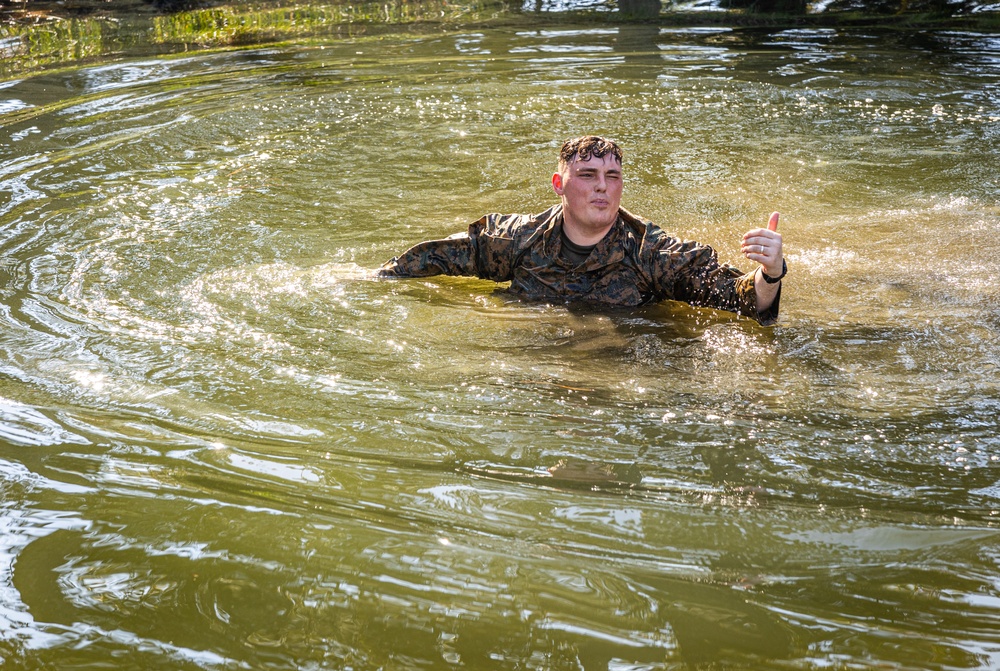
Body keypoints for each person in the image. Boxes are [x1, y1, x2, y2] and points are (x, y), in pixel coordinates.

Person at [377, 135, 785, 325]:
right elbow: (436, 257)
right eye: (588, 175)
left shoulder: (652, 253)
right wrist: (369, 280)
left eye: (612, 176)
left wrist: (770, 273)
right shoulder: (518, 239)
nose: (602, 186)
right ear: (559, 185)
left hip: (621, 374)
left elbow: (739, 300)